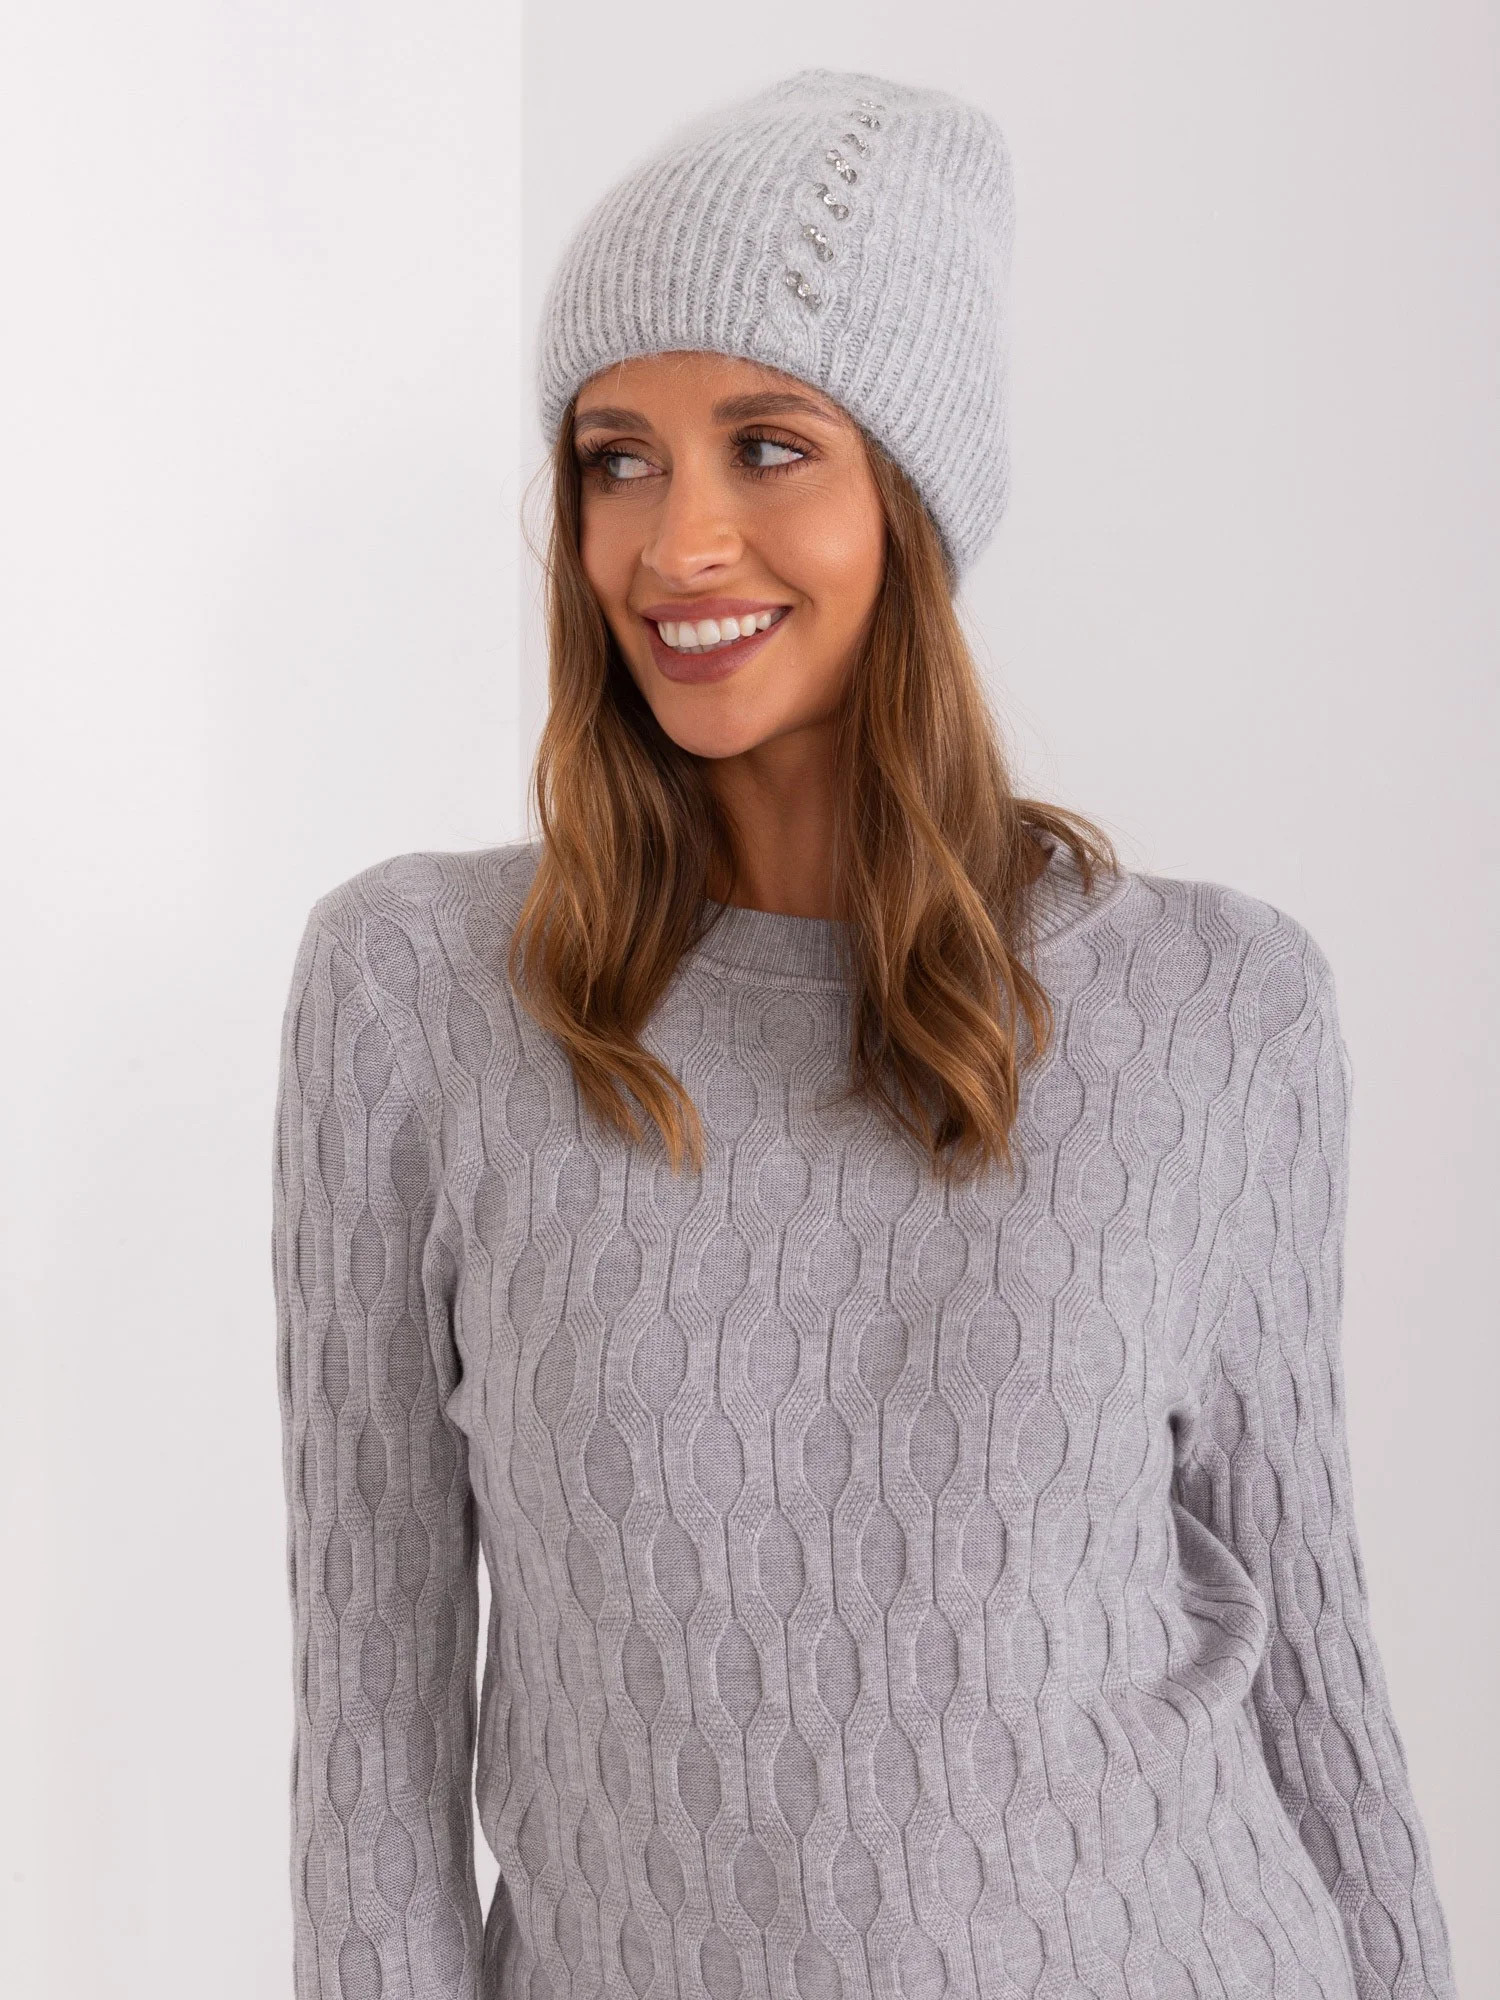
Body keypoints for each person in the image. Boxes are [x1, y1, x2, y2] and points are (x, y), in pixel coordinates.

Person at [271, 68, 1459, 2000]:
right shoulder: (416, 993)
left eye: (769, 446)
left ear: (909, 496)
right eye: (618, 459)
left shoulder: (1224, 1007)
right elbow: (369, 1736)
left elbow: (1313, 1652)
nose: (678, 543)